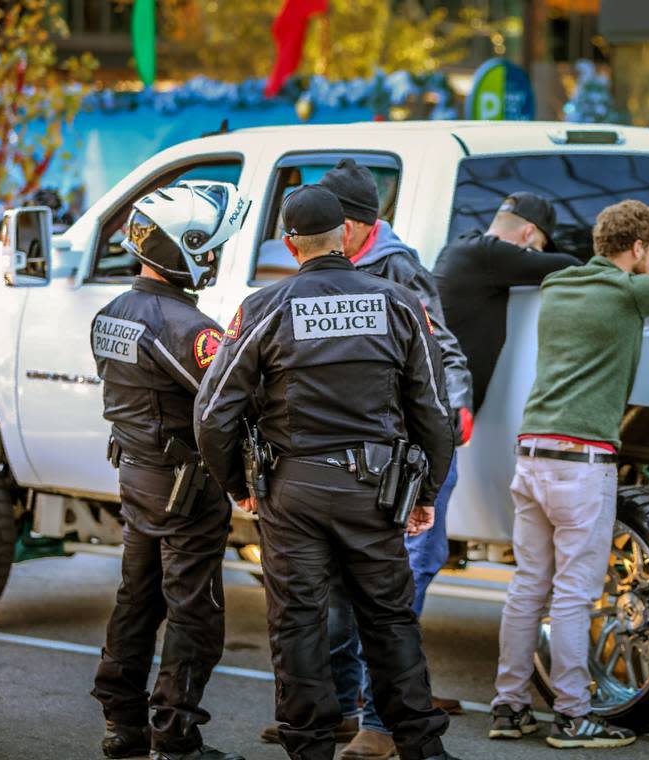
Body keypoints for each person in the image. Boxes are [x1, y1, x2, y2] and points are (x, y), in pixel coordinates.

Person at [194, 184, 458, 760]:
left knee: (298, 623)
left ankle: (309, 748)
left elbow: (213, 414)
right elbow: (435, 410)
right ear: (346, 234)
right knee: (390, 620)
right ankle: (421, 748)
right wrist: (427, 492)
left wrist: (241, 488)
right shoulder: (398, 303)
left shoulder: (265, 307)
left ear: (291, 246)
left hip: (294, 491)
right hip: (377, 492)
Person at [256, 159, 473, 758]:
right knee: (337, 607)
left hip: (388, 466)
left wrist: (431, 472)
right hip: (359, 467)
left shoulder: (397, 272)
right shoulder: (351, 280)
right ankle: (334, 714)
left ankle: (377, 724)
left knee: (381, 607)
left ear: (347, 226)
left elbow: (440, 360)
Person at [488, 200, 649, 749]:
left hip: (533, 451)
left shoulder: (559, 286)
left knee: (527, 586)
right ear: (638, 249)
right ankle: (572, 715)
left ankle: (509, 706)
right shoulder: (632, 290)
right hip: (580, 463)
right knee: (572, 594)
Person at [89, 181, 249, 760]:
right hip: (186, 486)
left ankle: (122, 723)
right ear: (181, 247)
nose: (212, 258)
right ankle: (175, 739)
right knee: (193, 610)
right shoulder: (191, 329)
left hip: (136, 474)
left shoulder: (111, 313)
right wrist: (242, 480)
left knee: (137, 597)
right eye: (207, 247)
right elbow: (225, 406)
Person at [433, 192, 581, 413]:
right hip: (442, 403)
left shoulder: (462, 247)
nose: (537, 255)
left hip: (436, 396)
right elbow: (570, 266)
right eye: (538, 248)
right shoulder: (489, 255)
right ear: (528, 233)